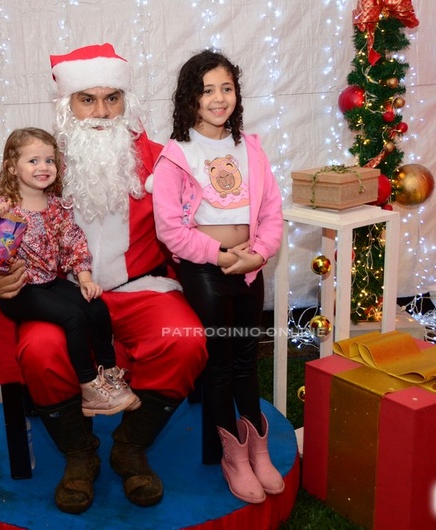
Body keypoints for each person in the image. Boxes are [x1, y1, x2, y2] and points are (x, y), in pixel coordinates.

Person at [0, 44, 207, 514]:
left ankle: (131, 447)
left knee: (185, 340)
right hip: (62, 295)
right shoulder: (43, 161)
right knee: (40, 352)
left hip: (142, 287)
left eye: (112, 98)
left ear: (126, 101)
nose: (101, 112)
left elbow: (200, 218)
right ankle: (79, 454)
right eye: (87, 99)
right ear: (66, 104)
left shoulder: (160, 160)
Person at [151, 49, 285, 504]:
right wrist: (220, 254)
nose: (218, 98)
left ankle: (257, 450)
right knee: (221, 361)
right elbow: (170, 229)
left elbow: (272, 212)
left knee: (248, 357)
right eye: (207, 90)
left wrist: (258, 254)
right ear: (190, 98)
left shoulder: (251, 149)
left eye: (226, 88)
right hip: (206, 270)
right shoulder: (176, 156)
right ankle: (233, 456)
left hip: (248, 268)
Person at [0, 127, 140, 417]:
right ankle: (89, 387)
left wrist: (84, 279)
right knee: (73, 316)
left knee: (95, 306)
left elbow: (73, 242)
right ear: (12, 167)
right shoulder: (3, 207)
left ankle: (109, 373)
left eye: (49, 160)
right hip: (19, 290)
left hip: (49, 282)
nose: (43, 167)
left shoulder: (57, 207)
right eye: (33, 161)